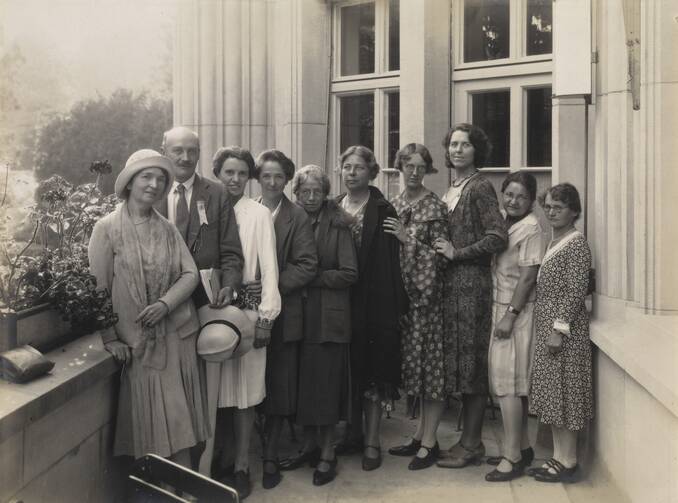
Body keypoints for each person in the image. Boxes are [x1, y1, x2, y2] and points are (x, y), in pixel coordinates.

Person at [88, 149, 209, 468]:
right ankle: (160, 492)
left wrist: (164, 304)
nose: (154, 184)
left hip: (176, 336)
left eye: (160, 178)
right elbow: (98, 289)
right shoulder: (107, 229)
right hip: (137, 342)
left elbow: (191, 273)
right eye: (147, 177)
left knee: (181, 425)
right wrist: (110, 338)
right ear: (129, 182)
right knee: (151, 428)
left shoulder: (167, 228)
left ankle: (182, 492)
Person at [204, 146, 281, 500]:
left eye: (241, 174)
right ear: (217, 174)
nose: (234, 180)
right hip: (211, 314)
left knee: (246, 394)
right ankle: (214, 461)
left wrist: (266, 317)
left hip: (248, 313)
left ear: (249, 177)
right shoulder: (206, 210)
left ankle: (241, 466)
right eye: (227, 173)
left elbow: (269, 269)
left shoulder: (258, 214)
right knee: (215, 391)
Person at [433, 123, 508, 469]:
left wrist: (456, 252)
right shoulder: (453, 187)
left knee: (472, 365)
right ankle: (466, 441)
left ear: (477, 150)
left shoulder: (480, 187)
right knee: (461, 366)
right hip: (452, 287)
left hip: (473, 287)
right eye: (453, 144)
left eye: (465, 144)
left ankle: (472, 444)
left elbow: (497, 237)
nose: (457, 150)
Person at [279, 165, 358, 486]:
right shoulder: (293, 220)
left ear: (326, 194)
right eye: (305, 192)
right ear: (295, 193)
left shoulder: (338, 224)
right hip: (299, 317)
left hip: (328, 319)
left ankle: (327, 453)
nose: (311, 197)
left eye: (317, 191)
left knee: (325, 389)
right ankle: (309, 446)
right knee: (304, 387)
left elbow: (350, 273)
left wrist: (312, 277)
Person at [334, 145, 409, 471]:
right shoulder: (334, 206)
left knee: (374, 373)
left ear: (371, 172)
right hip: (341, 300)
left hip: (375, 303)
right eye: (347, 167)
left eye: (359, 167)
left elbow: (393, 263)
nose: (352, 172)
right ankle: (352, 432)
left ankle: (372, 441)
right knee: (348, 370)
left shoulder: (383, 209)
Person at [253, 149, 318, 490]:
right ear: (258, 178)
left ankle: (270, 455)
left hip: (285, 312)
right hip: (247, 310)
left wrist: (269, 285)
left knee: (278, 385)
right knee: (248, 380)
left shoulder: (297, 216)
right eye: (266, 176)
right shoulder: (245, 210)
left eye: (279, 176)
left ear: (287, 180)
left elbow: (307, 264)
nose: (273, 182)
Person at [383, 143, 448, 470]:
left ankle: (431, 441)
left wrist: (408, 240)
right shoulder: (391, 205)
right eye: (408, 165)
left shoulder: (435, 208)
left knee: (431, 372)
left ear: (428, 170)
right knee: (414, 373)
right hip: (402, 302)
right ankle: (419, 435)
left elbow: (440, 260)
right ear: (399, 168)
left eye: (421, 167)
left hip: (427, 302)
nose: (414, 172)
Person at [527, 183, 592, 483]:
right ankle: (557, 457)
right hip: (548, 330)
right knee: (553, 398)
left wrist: (558, 330)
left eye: (559, 207)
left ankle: (569, 462)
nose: (552, 212)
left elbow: (575, 291)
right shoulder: (555, 241)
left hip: (564, 334)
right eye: (548, 206)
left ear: (574, 211)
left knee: (564, 398)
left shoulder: (576, 244)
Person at [484, 171, 543, 482]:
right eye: (509, 194)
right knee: (511, 385)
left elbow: (528, 277)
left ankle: (512, 458)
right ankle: (521, 447)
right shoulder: (504, 222)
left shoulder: (531, 228)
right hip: (500, 307)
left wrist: (510, 315)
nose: (514, 201)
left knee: (508, 385)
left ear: (531, 200)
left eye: (521, 196)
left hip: (516, 311)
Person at [158, 126, 243, 310]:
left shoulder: (218, 193)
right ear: (163, 152)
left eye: (192, 151)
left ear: (199, 154)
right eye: (178, 151)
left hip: (206, 300)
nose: (186, 158)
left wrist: (229, 285)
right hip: (159, 298)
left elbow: (231, 251)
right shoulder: (153, 193)